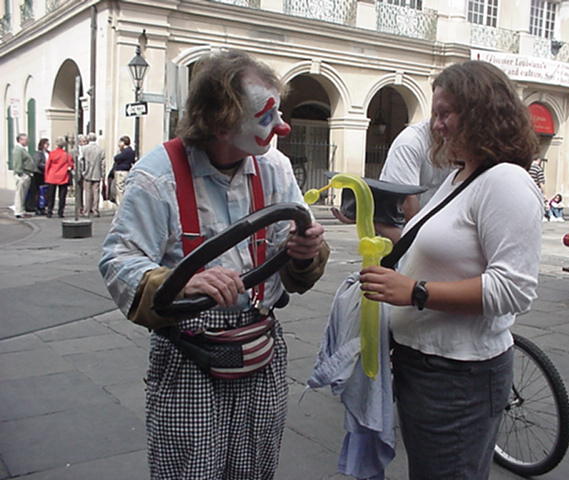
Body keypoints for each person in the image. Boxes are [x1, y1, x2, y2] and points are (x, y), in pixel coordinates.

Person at [99, 49, 329, 480]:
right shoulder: (156, 177)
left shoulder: (274, 168)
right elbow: (118, 259)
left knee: (255, 468)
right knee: (190, 470)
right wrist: (181, 282)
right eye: (266, 116)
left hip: (261, 350)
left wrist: (306, 253)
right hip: (189, 356)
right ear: (222, 121)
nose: (282, 126)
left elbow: (298, 253)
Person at [359, 60, 543, 480]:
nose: (436, 125)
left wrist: (416, 292)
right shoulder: (463, 174)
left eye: (445, 114)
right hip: (425, 365)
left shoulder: (505, 183)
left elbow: (514, 290)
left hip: (459, 376)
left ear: (481, 113)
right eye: (435, 113)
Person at [377, 120, 451, 242]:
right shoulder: (410, 143)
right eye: (437, 113)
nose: (439, 123)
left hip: (439, 231)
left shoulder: (464, 141)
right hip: (407, 232)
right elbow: (408, 203)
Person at [44, 136, 74, 218]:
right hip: (63, 176)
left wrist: (46, 176)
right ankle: (60, 212)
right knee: (62, 196)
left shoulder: (52, 153)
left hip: (52, 176)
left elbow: (48, 165)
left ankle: (49, 211)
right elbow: (71, 165)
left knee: (51, 196)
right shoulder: (66, 155)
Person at [12, 133, 35, 219]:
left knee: (23, 194)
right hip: (23, 174)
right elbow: (18, 162)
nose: (27, 141)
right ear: (20, 140)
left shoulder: (23, 149)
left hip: (27, 173)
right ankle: (19, 211)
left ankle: (22, 210)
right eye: (25, 139)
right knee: (20, 194)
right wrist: (20, 173)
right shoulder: (18, 150)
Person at [81, 132, 105, 217]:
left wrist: (82, 171)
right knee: (96, 192)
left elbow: (82, 161)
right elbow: (103, 163)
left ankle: (86, 210)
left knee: (87, 192)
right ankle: (95, 210)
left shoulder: (84, 149)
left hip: (87, 173)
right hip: (97, 172)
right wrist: (103, 174)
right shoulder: (100, 149)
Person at [26, 138, 49, 215]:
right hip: (39, 174)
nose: (47, 145)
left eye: (48, 144)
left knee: (45, 192)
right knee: (38, 192)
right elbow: (38, 164)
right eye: (46, 144)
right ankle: (37, 207)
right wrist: (47, 166)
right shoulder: (38, 154)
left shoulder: (49, 153)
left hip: (46, 175)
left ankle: (43, 206)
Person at [112, 135, 135, 205]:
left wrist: (119, 152)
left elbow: (116, 158)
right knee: (125, 188)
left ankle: (121, 205)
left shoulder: (125, 151)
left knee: (120, 189)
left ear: (123, 143)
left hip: (121, 171)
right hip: (127, 171)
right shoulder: (131, 151)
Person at [73, 134, 88, 214]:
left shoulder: (88, 149)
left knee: (87, 190)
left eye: (85, 141)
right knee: (78, 191)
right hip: (78, 172)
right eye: (82, 141)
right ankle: (79, 207)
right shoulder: (75, 150)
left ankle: (87, 207)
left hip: (86, 172)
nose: (84, 143)